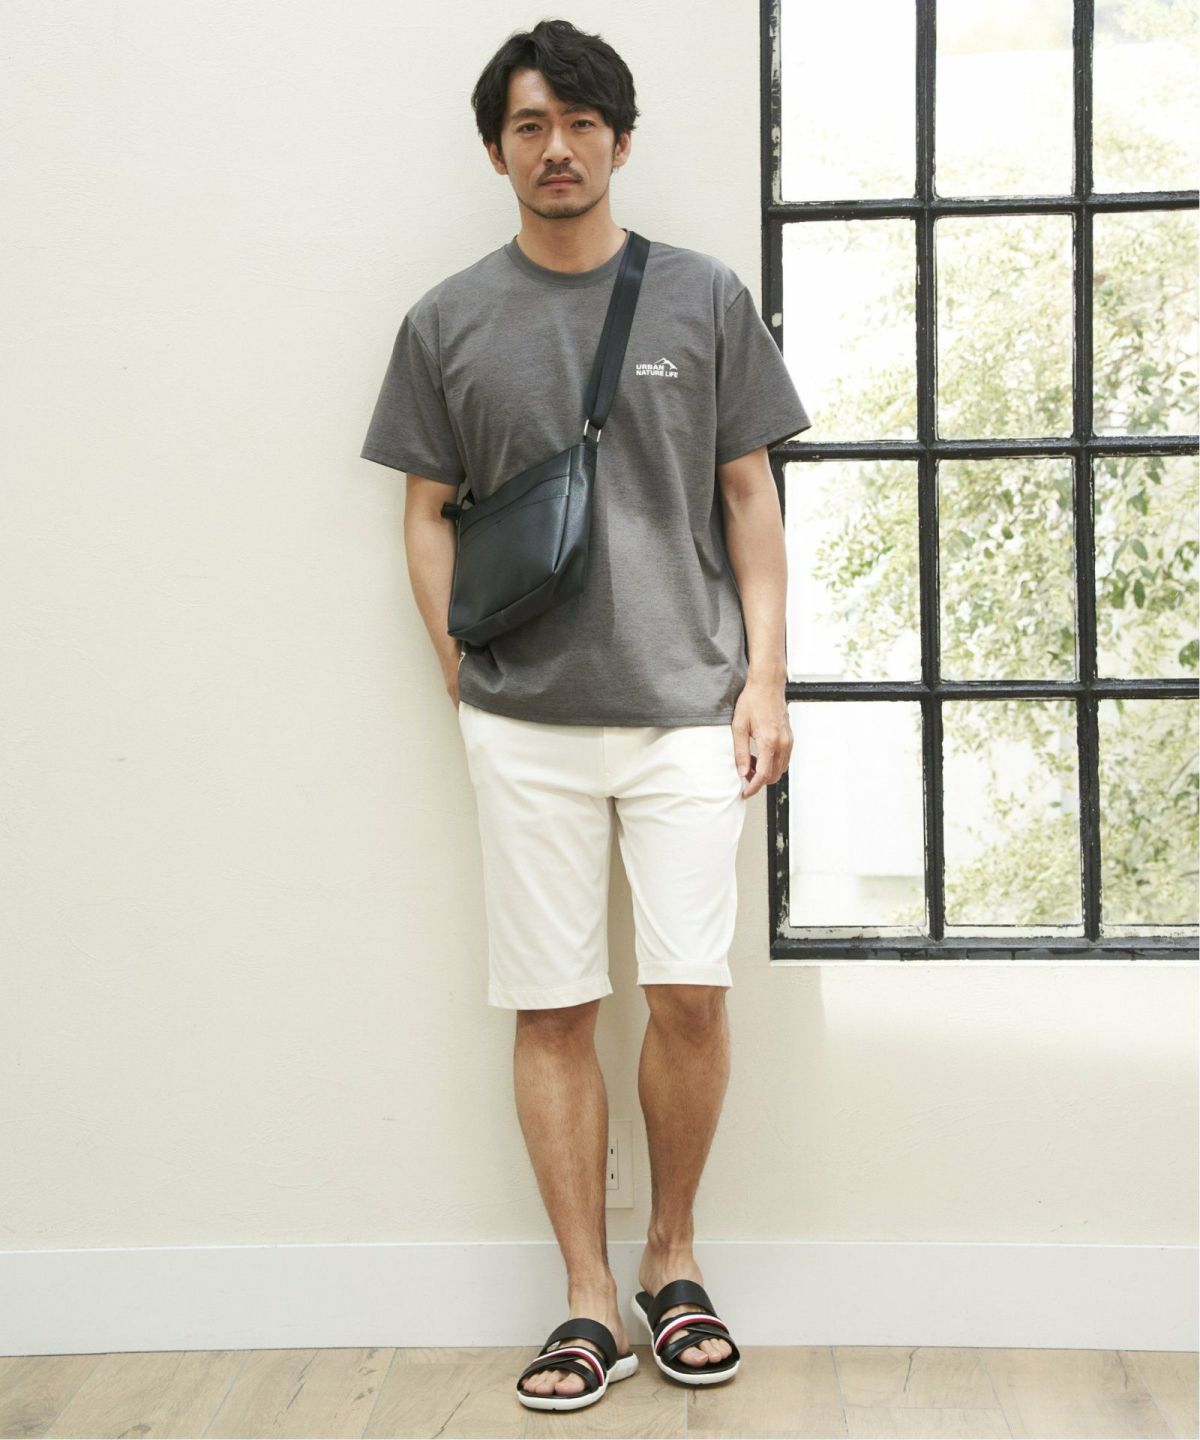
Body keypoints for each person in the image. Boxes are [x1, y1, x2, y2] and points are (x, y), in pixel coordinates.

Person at [359, 17, 811, 1415]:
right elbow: (424, 513)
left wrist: (765, 679)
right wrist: (458, 668)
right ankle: (585, 1299)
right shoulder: (446, 320)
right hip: (526, 723)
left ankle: (673, 1262)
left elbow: (748, 495)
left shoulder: (703, 296)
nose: (556, 148)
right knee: (552, 1005)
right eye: (529, 127)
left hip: (686, 707)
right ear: (496, 150)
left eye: (579, 124)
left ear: (620, 138)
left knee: (690, 991)